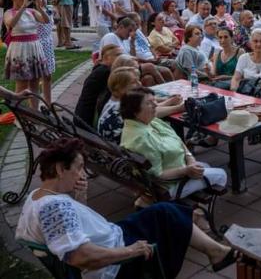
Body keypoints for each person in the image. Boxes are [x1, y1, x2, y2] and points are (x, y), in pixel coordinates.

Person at [15, 137, 238, 279]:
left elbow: (72, 232)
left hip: (111, 236)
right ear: (60, 169)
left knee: (165, 210)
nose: (83, 174)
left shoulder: (38, 196)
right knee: (168, 216)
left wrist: (80, 195)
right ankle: (217, 252)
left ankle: (217, 252)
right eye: (79, 167)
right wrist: (131, 250)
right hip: (114, 261)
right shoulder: (54, 209)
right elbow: (81, 257)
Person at [120, 87, 228, 199]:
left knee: (204, 167)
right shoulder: (141, 139)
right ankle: (199, 212)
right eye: (149, 103)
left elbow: (176, 139)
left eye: (154, 101)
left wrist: (189, 158)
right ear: (135, 111)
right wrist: (186, 170)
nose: (156, 105)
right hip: (168, 187)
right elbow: (158, 175)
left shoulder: (147, 121)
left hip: (177, 166)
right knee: (221, 175)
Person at [98, 67, 183, 144]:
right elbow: (153, 112)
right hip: (128, 153)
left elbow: (149, 109)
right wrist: (178, 108)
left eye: (138, 80)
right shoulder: (119, 107)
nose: (140, 84)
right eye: (133, 82)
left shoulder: (116, 101)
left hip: (119, 149)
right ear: (120, 88)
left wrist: (169, 102)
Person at [4, 0, 49, 96]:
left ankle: (34, 112)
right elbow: (11, 24)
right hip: (19, 50)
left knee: (35, 82)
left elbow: (45, 20)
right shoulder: (9, 12)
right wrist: (22, 7)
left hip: (34, 47)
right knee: (22, 84)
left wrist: (39, 8)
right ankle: (18, 111)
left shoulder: (32, 11)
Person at [75, 44, 122, 128]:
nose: (121, 58)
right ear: (107, 58)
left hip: (81, 118)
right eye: (118, 55)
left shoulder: (100, 68)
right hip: (87, 123)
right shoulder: (105, 72)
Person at [230, 30, 261, 95]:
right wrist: (234, 92)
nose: (258, 44)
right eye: (255, 41)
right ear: (251, 43)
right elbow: (236, 78)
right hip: (247, 94)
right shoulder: (243, 58)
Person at [33, 0, 56, 104]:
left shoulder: (50, 9)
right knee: (36, 78)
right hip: (38, 44)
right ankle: (35, 105)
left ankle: (49, 103)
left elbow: (52, 19)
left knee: (48, 76)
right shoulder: (32, 12)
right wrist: (39, 8)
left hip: (48, 43)